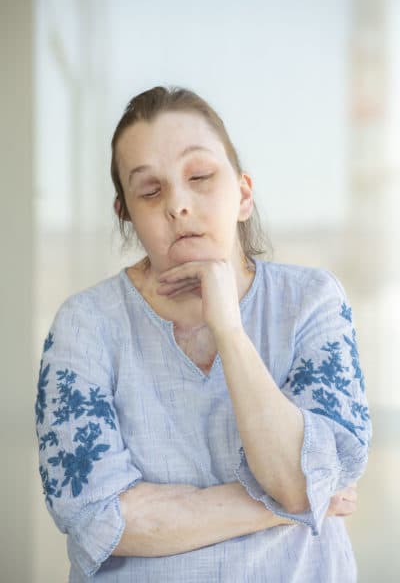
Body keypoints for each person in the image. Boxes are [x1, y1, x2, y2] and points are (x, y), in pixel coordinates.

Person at [35, 85, 372, 582]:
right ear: (125, 214)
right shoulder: (84, 325)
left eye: (200, 176)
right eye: (150, 191)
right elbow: (96, 519)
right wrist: (287, 505)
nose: (177, 205)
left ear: (243, 194)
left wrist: (229, 329)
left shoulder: (313, 300)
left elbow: (295, 479)